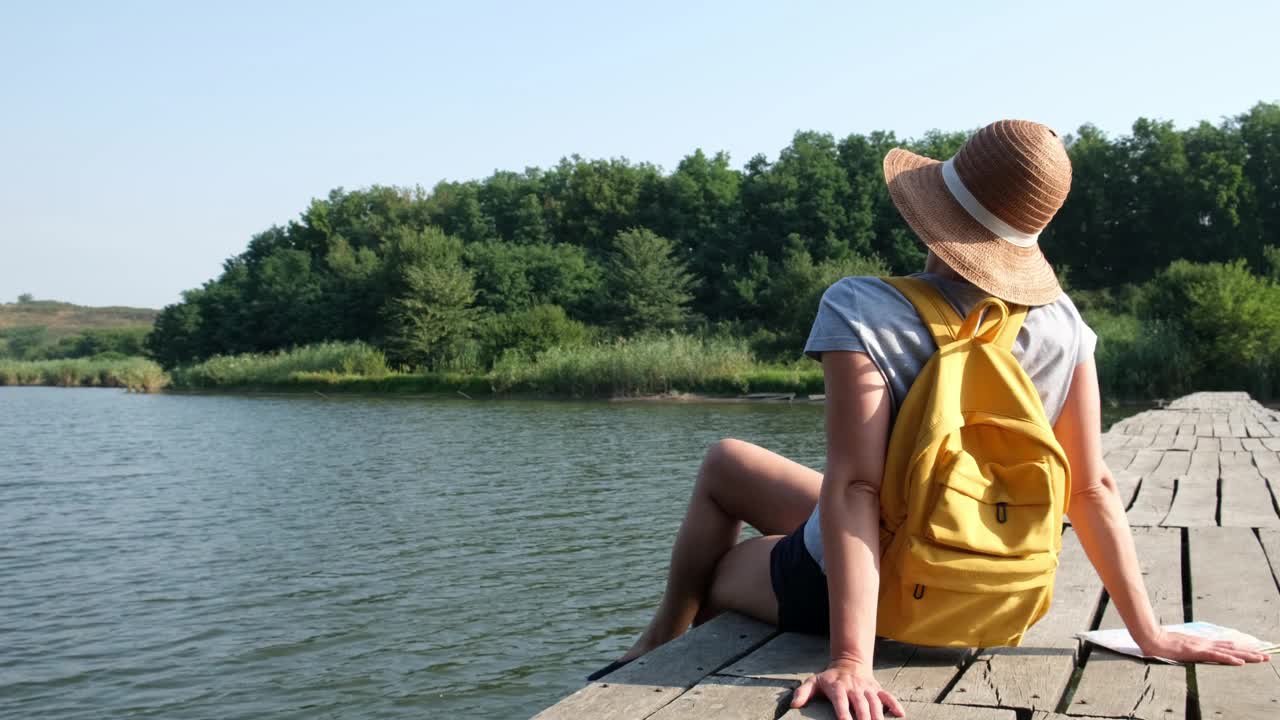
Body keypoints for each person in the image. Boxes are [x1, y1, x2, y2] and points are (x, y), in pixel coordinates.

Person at [597, 120, 1270, 720]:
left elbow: (857, 487)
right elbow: (1090, 489)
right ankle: (658, 639)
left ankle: (660, 642)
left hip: (878, 598)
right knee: (729, 462)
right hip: (986, 599)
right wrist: (1150, 632)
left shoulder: (862, 306)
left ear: (931, 211)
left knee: (715, 571)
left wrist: (852, 660)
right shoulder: (1067, 326)